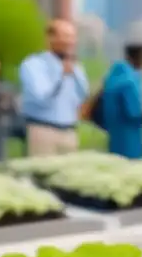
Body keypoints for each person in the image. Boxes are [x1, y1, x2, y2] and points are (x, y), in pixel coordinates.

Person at [19, 19, 89, 156]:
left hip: (69, 131)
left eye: (73, 37)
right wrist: (61, 76)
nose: (71, 41)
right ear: (50, 38)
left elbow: (83, 95)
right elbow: (41, 98)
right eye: (66, 36)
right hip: (43, 130)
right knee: (41, 174)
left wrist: (74, 72)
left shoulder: (76, 66)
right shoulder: (34, 64)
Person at [101, 44, 142, 159]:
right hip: (129, 138)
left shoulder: (113, 76)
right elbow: (133, 113)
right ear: (138, 57)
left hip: (114, 134)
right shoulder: (129, 81)